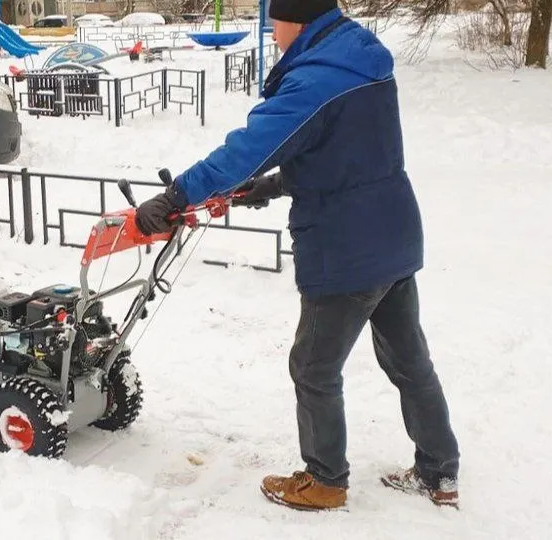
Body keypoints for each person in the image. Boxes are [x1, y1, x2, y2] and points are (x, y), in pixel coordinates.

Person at [135, 0, 460, 511]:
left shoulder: (315, 81)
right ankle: (440, 471)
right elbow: (346, 154)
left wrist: (176, 197)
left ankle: (326, 479)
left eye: (275, 25)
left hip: (346, 249)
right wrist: (276, 184)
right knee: (410, 362)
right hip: (392, 235)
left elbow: (245, 150)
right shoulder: (361, 59)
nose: (274, 35)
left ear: (296, 20)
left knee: (313, 368)